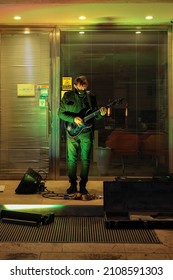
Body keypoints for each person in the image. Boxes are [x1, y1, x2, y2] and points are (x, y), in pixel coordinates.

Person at [58, 75, 107, 195]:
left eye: (84, 84)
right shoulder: (68, 96)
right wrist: (74, 119)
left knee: (85, 160)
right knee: (71, 160)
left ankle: (83, 185)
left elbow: (95, 115)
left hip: (86, 132)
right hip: (72, 132)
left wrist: (101, 114)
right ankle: (73, 184)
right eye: (80, 85)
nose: (82, 87)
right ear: (75, 85)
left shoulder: (91, 97)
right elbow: (60, 113)